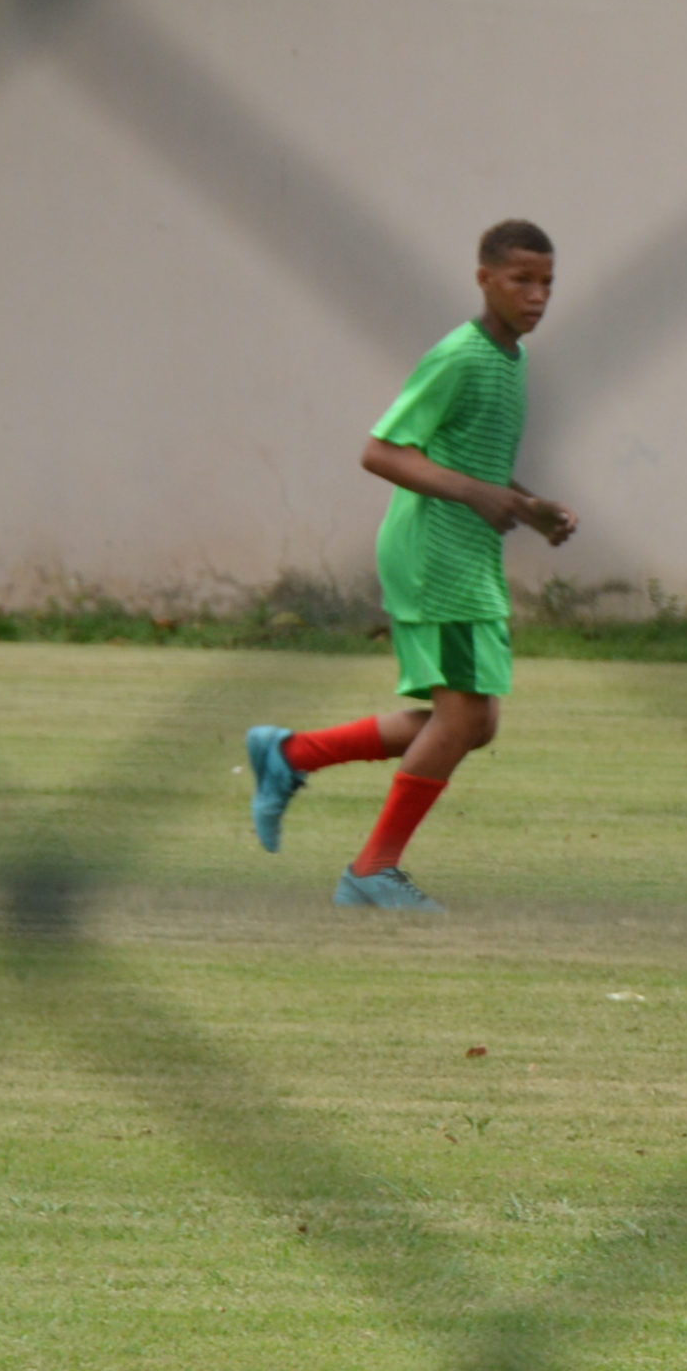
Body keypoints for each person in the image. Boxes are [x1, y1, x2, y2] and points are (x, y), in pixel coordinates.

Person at [245, 220, 576, 912]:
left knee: (473, 724)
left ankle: (292, 755)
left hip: (467, 552)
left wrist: (528, 505)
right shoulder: (459, 356)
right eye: (522, 280)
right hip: (437, 555)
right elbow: (383, 451)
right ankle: (372, 870)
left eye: (547, 282)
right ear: (484, 279)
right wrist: (480, 494)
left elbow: (469, 458)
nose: (537, 295)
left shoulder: (510, 360)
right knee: (458, 719)